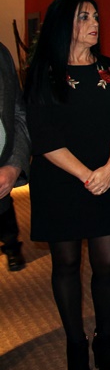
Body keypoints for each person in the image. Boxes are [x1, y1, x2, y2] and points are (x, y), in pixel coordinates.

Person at [24, 0, 110, 370]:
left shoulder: (109, 68)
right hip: (60, 182)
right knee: (67, 264)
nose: (95, 23)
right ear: (63, 25)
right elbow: (44, 136)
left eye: (96, 16)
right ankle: (76, 344)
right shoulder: (44, 72)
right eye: (84, 17)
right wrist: (87, 175)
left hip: (105, 177)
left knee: (107, 264)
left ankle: (104, 341)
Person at [0, 42, 29, 273]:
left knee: (4, 211)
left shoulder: (1, 53)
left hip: (2, 170)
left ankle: (11, 245)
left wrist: (14, 165)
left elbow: (18, 113)